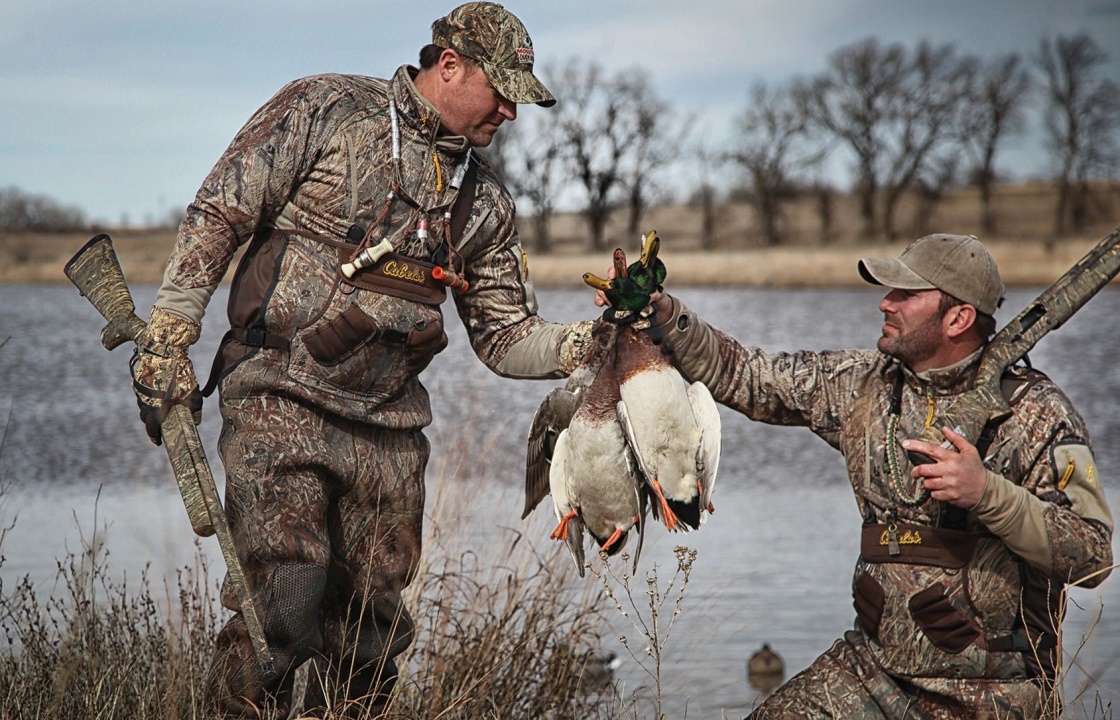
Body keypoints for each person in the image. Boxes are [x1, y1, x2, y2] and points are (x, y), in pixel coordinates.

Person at [129, 4, 597, 717]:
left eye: (518, 98)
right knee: (281, 606)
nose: (510, 110)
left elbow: (505, 338)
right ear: (449, 65)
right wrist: (167, 334)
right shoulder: (326, 109)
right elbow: (219, 212)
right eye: (499, 91)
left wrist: (583, 346)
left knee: (373, 636)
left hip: (389, 431)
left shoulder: (485, 205)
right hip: (277, 395)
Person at [635, 233, 1114, 718]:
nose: (886, 302)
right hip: (873, 670)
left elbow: (1094, 556)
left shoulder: (1037, 413)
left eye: (906, 294)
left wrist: (987, 493)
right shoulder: (863, 384)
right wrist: (664, 314)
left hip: (992, 692)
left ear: (959, 318)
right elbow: (746, 374)